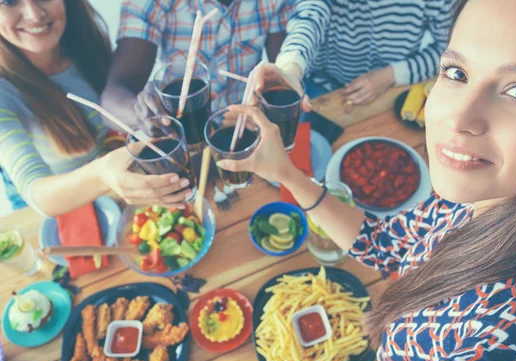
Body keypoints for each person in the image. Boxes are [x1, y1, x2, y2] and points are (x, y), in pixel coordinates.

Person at [219, 0, 516, 361]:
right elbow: (383, 243)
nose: (458, 119)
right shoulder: (476, 196)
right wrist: (286, 173)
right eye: (456, 72)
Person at [0, 0, 191, 217]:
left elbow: (114, 123)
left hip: (120, 201)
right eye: (8, 2)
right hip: (60, 219)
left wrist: (143, 116)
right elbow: (37, 194)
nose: (34, 14)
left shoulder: (84, 45)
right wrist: (102, 173)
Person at [100, 0, 295, 126]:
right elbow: (114, 95)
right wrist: (142, 116)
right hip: (181, 131)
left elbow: (281, 76)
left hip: (241, 128)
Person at [272, 0, 455, 105]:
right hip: (323, 87)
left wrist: (392, 75)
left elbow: (450, 52)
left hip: (394, 89)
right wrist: (290, 68)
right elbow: (308, 20)